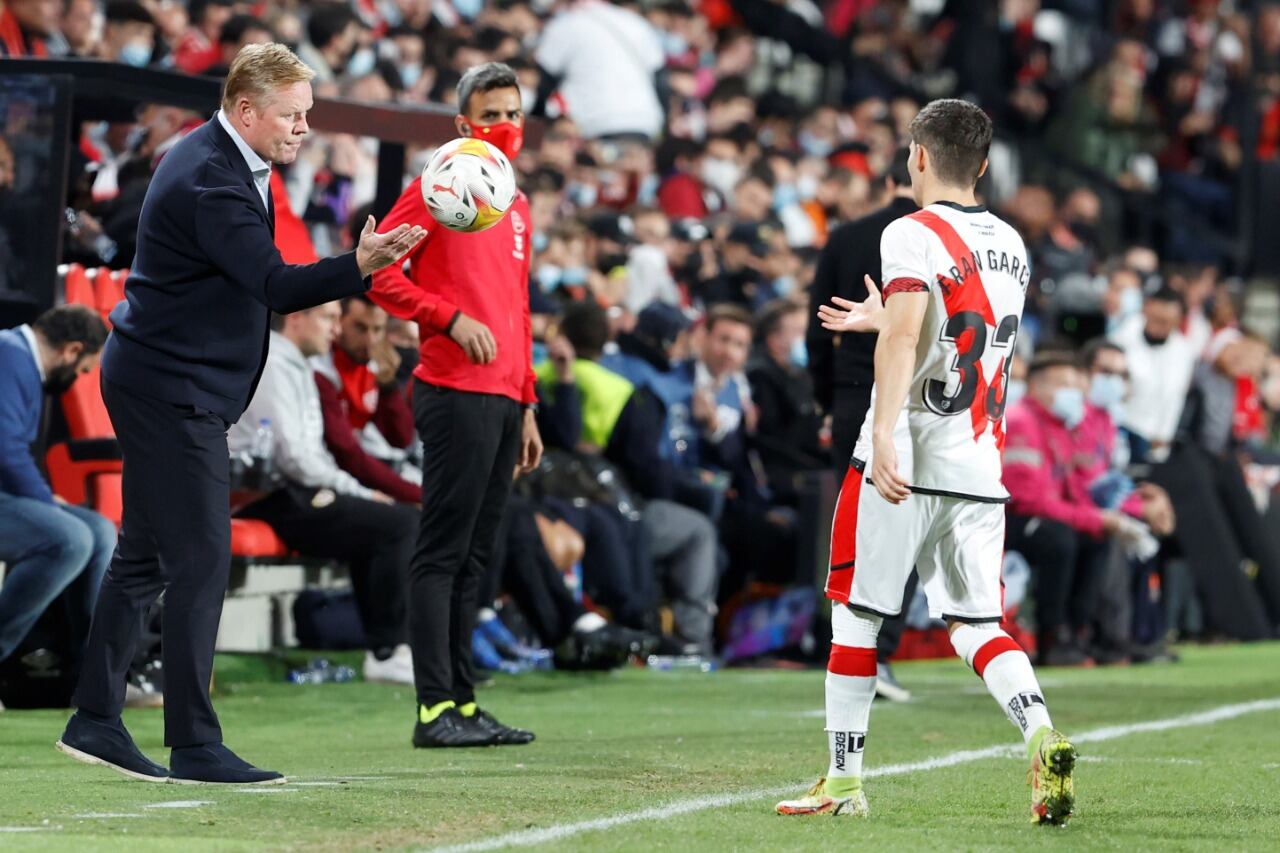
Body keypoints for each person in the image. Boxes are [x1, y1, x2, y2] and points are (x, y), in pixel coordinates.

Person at [57, 43, 426, 786]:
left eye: (307, 116)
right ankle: (192, 742)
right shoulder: (211, 180)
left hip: (168, 378)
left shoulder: (218, 158)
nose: (302, 130)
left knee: (148, 555)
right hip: (170, 387)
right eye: (291, 117)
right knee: (200, 555)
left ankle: (95, 718)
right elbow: (275, 286)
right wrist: (361, 264)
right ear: (247, 111)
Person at [778, 99, 1076, 824]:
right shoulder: (1011, 242)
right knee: (978, 621)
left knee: (856, 614)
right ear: (980, 166)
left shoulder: (908, 232)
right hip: (980, 463)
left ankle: (843, 783)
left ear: (916, 156)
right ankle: (1041, 733)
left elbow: (911, 335)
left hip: (908, 455)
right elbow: (972, 329)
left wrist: (881, 431)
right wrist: (892, 318)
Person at [370, 62, 543, 749]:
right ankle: (432, 708)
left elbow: (518, 308)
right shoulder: (436, 188)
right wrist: (445, 318)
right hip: (453, 388)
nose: (507, 125)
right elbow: (379, 269)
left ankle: (464, 705)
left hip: (503, 397)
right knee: (442, 552)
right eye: (493, 112)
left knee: (475, 556)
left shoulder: (516, 204)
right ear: (462, 126)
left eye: (515, 113)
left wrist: (528, 401)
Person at [230, 303, 419, 685]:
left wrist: (358, 493)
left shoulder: (297, 365)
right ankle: (386, 651)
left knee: (389, 523)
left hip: (293, 492)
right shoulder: (273, 365)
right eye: (328, 318)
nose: (334, 330)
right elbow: (295, 458)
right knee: (396, 524)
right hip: (267, 496)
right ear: (297, 319)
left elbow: (310, 455)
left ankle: (389, 648)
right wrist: (359, 492)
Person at [807, 147, 918, 701]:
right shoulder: (930, 237)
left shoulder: (847, 237)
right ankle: (881, 655)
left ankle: (840, 648)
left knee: (850, 528)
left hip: (851, 394)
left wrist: (824, 399)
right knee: (905, 525)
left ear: (885, 179)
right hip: (913, 398)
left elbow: (815, 329)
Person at [1003, 353, 1160, 666]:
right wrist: (1093, 517)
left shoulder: (1061, 426)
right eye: (1064, 385)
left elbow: (1077, 488)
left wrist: (1111, 518)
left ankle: (1079, 630)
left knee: (1095, 536)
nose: (1074, 393)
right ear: (1037, 387)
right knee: (1059, 539)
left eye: (1076, 385)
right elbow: (1030, 499)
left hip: (1047, 515)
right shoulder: (1021, 421)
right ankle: (1052, 634)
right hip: (1010, 518)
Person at [0, 307, 114, 686]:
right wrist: (46, 503)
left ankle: (92, 678)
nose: (78, 377)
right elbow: (6, 449)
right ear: (72, 350)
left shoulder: (18, 358)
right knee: (69, 538)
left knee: (99, 531)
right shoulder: (9, 355)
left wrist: (46, 500)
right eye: (83, 369)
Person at [313, 295, 419, 504]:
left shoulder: (372, 364)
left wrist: (388, 386)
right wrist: (415, 493)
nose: (370, 340)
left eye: (377, 329)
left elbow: (401, 439)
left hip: (353, 472)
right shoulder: (321, 367)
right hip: (326, 474)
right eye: (360, 328)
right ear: (338, 322)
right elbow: (348, 453)